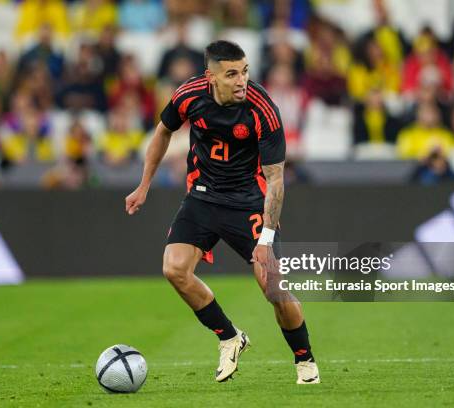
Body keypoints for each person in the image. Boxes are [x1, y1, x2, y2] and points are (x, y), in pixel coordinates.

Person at [125, 40, 320, 384]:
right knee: (174, 269)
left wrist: (267, 238)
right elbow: (163, 131)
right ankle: (230, 337)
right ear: (211, 77)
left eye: (244, 71)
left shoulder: (263, 109)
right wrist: (144, 185)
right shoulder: (188, 95)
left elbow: (276, 181)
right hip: (202, 197)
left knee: (273, 289)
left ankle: (304, 359)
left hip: (248, 202)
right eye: (231, 74)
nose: (241, 80)